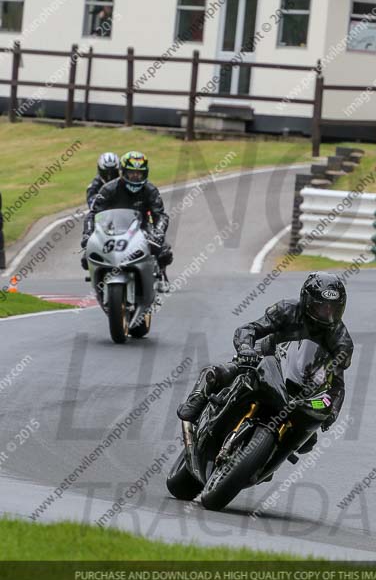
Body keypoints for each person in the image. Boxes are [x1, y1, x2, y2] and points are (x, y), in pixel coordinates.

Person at [178, 272, 353, 453]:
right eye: (321, 306)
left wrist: (332, 411)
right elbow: (250, 329)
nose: (327, 313)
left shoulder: (341, 340)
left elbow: (337, 384)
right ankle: (197, 398)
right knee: (219, 373)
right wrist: (246, 348)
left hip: (300, 387)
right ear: (307, 300)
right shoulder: (287, 309)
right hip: (265, 360)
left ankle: (269, 456)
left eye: (332, 308)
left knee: (308, 438)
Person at [81, 151, 173, 282]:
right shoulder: (108, 189)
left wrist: (158, 232)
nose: (135, 176)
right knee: (86, 257)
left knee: (164, 253)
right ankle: (99, 277)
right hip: (112, 229)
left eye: (139, 173)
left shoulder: (150, 190)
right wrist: (88, 234)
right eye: (131, 173)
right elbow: (93, 214)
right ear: (123, 172)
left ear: (145, 173)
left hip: (142, 228)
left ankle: (160, 275)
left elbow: (161, 215)